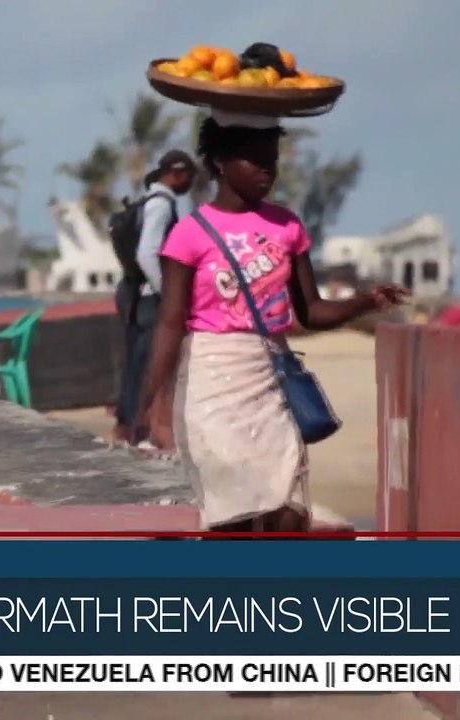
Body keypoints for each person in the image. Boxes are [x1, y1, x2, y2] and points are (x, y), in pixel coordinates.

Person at [138, 110, 409, 535]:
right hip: (211, 378)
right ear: (220, 163)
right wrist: (151, 399)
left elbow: (311, 312)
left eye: (272, 160)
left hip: (269, 375)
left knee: (288, 512)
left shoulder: (287, 227)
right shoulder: (189, 234)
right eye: (254, 160)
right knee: (233, 516)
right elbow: (170, 322)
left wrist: (365, 302)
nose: (267, 169)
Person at [113, 150, 197, 456]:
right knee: (146, 365)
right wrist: (168, 293)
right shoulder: (161, 205)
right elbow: (147, 253)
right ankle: (134, 432)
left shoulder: (150, 201)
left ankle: (135, 431)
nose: (190, 182)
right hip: (149, 299)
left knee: (140, 363)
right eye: (189, 175)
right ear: (177, 173)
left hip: (137, 295)